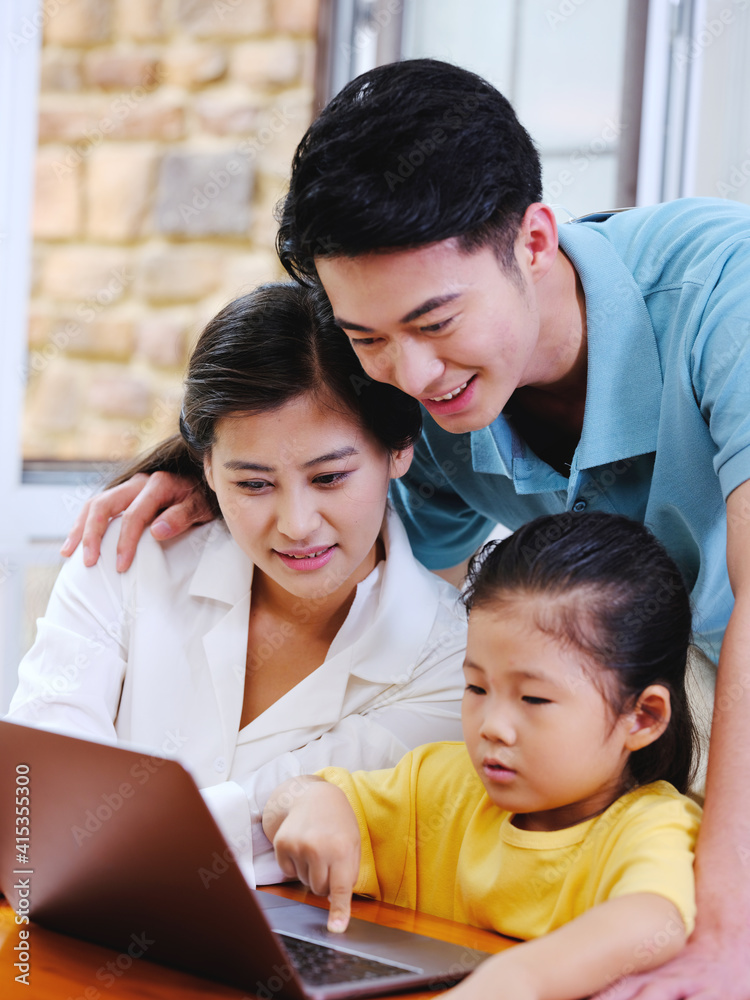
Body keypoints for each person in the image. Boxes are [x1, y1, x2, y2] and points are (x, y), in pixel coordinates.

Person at [61, 59, 750, 998]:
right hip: (636, 693)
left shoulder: (724, 284)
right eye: (368, 337)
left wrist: (725, 931)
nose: (414, 378)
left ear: (535, 240)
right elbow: (343, 512)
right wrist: (213, 474)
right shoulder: (420, 410)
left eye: (435, 321)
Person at [7, 281, 467, 885]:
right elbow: (36, 779)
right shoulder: (131, 555)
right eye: (253, 484)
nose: (297, 525)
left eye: (329, 478)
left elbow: (273, 831)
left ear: (400, 450)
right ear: (204, 466)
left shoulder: (450, 662)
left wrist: (82, 825)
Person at [263, 512, 702, 1000]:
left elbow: (653, 917)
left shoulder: (653, 825)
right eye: (476, 687)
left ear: (641, 717)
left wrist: (517, 978)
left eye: (533, 699)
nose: (492, 724)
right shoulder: (438, 782)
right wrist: (310, 800)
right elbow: (292, 802)